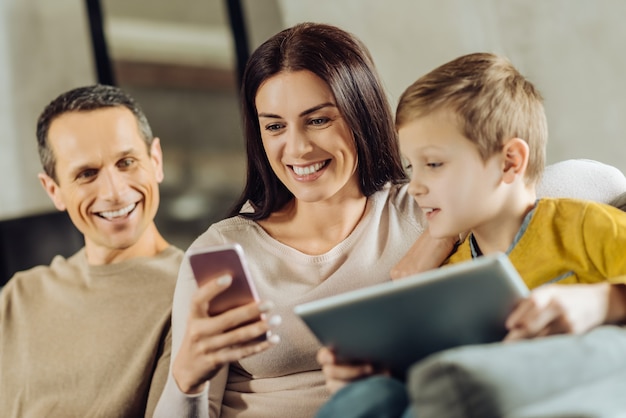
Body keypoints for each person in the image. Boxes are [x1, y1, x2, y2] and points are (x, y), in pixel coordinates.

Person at [152, 22, 456, 418]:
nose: (297, 147)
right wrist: (186, 379)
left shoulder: (426, 211)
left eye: (318, 120)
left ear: (361, 113)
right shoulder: (224, 254)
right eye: (275, 126)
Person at [316, 52, 626, 417]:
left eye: (434, 164)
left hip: (553, 393)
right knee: (367, 397)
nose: (415, 187)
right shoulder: (450, 276)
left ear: (510, 162)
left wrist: (604, 301)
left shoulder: (583, 225)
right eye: (412, 168)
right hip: (468, 398)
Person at [0, 84, 184, 418]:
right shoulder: (18, 298)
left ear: (155, 161)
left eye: (126, 162)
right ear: (54, 190)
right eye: (87, 174)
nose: (114, 192)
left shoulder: (192, 292)